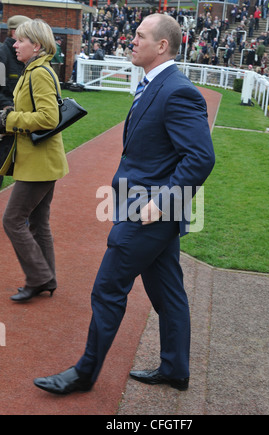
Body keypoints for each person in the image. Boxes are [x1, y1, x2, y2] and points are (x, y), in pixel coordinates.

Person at [33, 13, 215, 395]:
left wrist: (162, 204)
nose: (131, 41)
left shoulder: (177, 90)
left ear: (161, 45)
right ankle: (175, 369)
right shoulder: (154, 85)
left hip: (148, 214)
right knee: (168, 293)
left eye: (139, 36)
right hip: (146, 209)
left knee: (107, 288)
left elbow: (200, 158)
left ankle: (84, 373)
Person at [0, 19, 69, 302]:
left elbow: (48, 118)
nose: (14, 44)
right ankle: (47, 277)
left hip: (39, 164)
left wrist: (8, 119)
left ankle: (38, 277)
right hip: (42, 161)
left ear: (37, 45)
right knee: (38, 223)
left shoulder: (38, 72)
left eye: (20, 41)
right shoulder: (36, 69)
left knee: (13, 220)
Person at [0, 15, 31, 189]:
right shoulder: (2, 55)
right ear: (14, 32)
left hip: (16, 123)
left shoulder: (22, 58)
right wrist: (8, 107)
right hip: (4, 124)